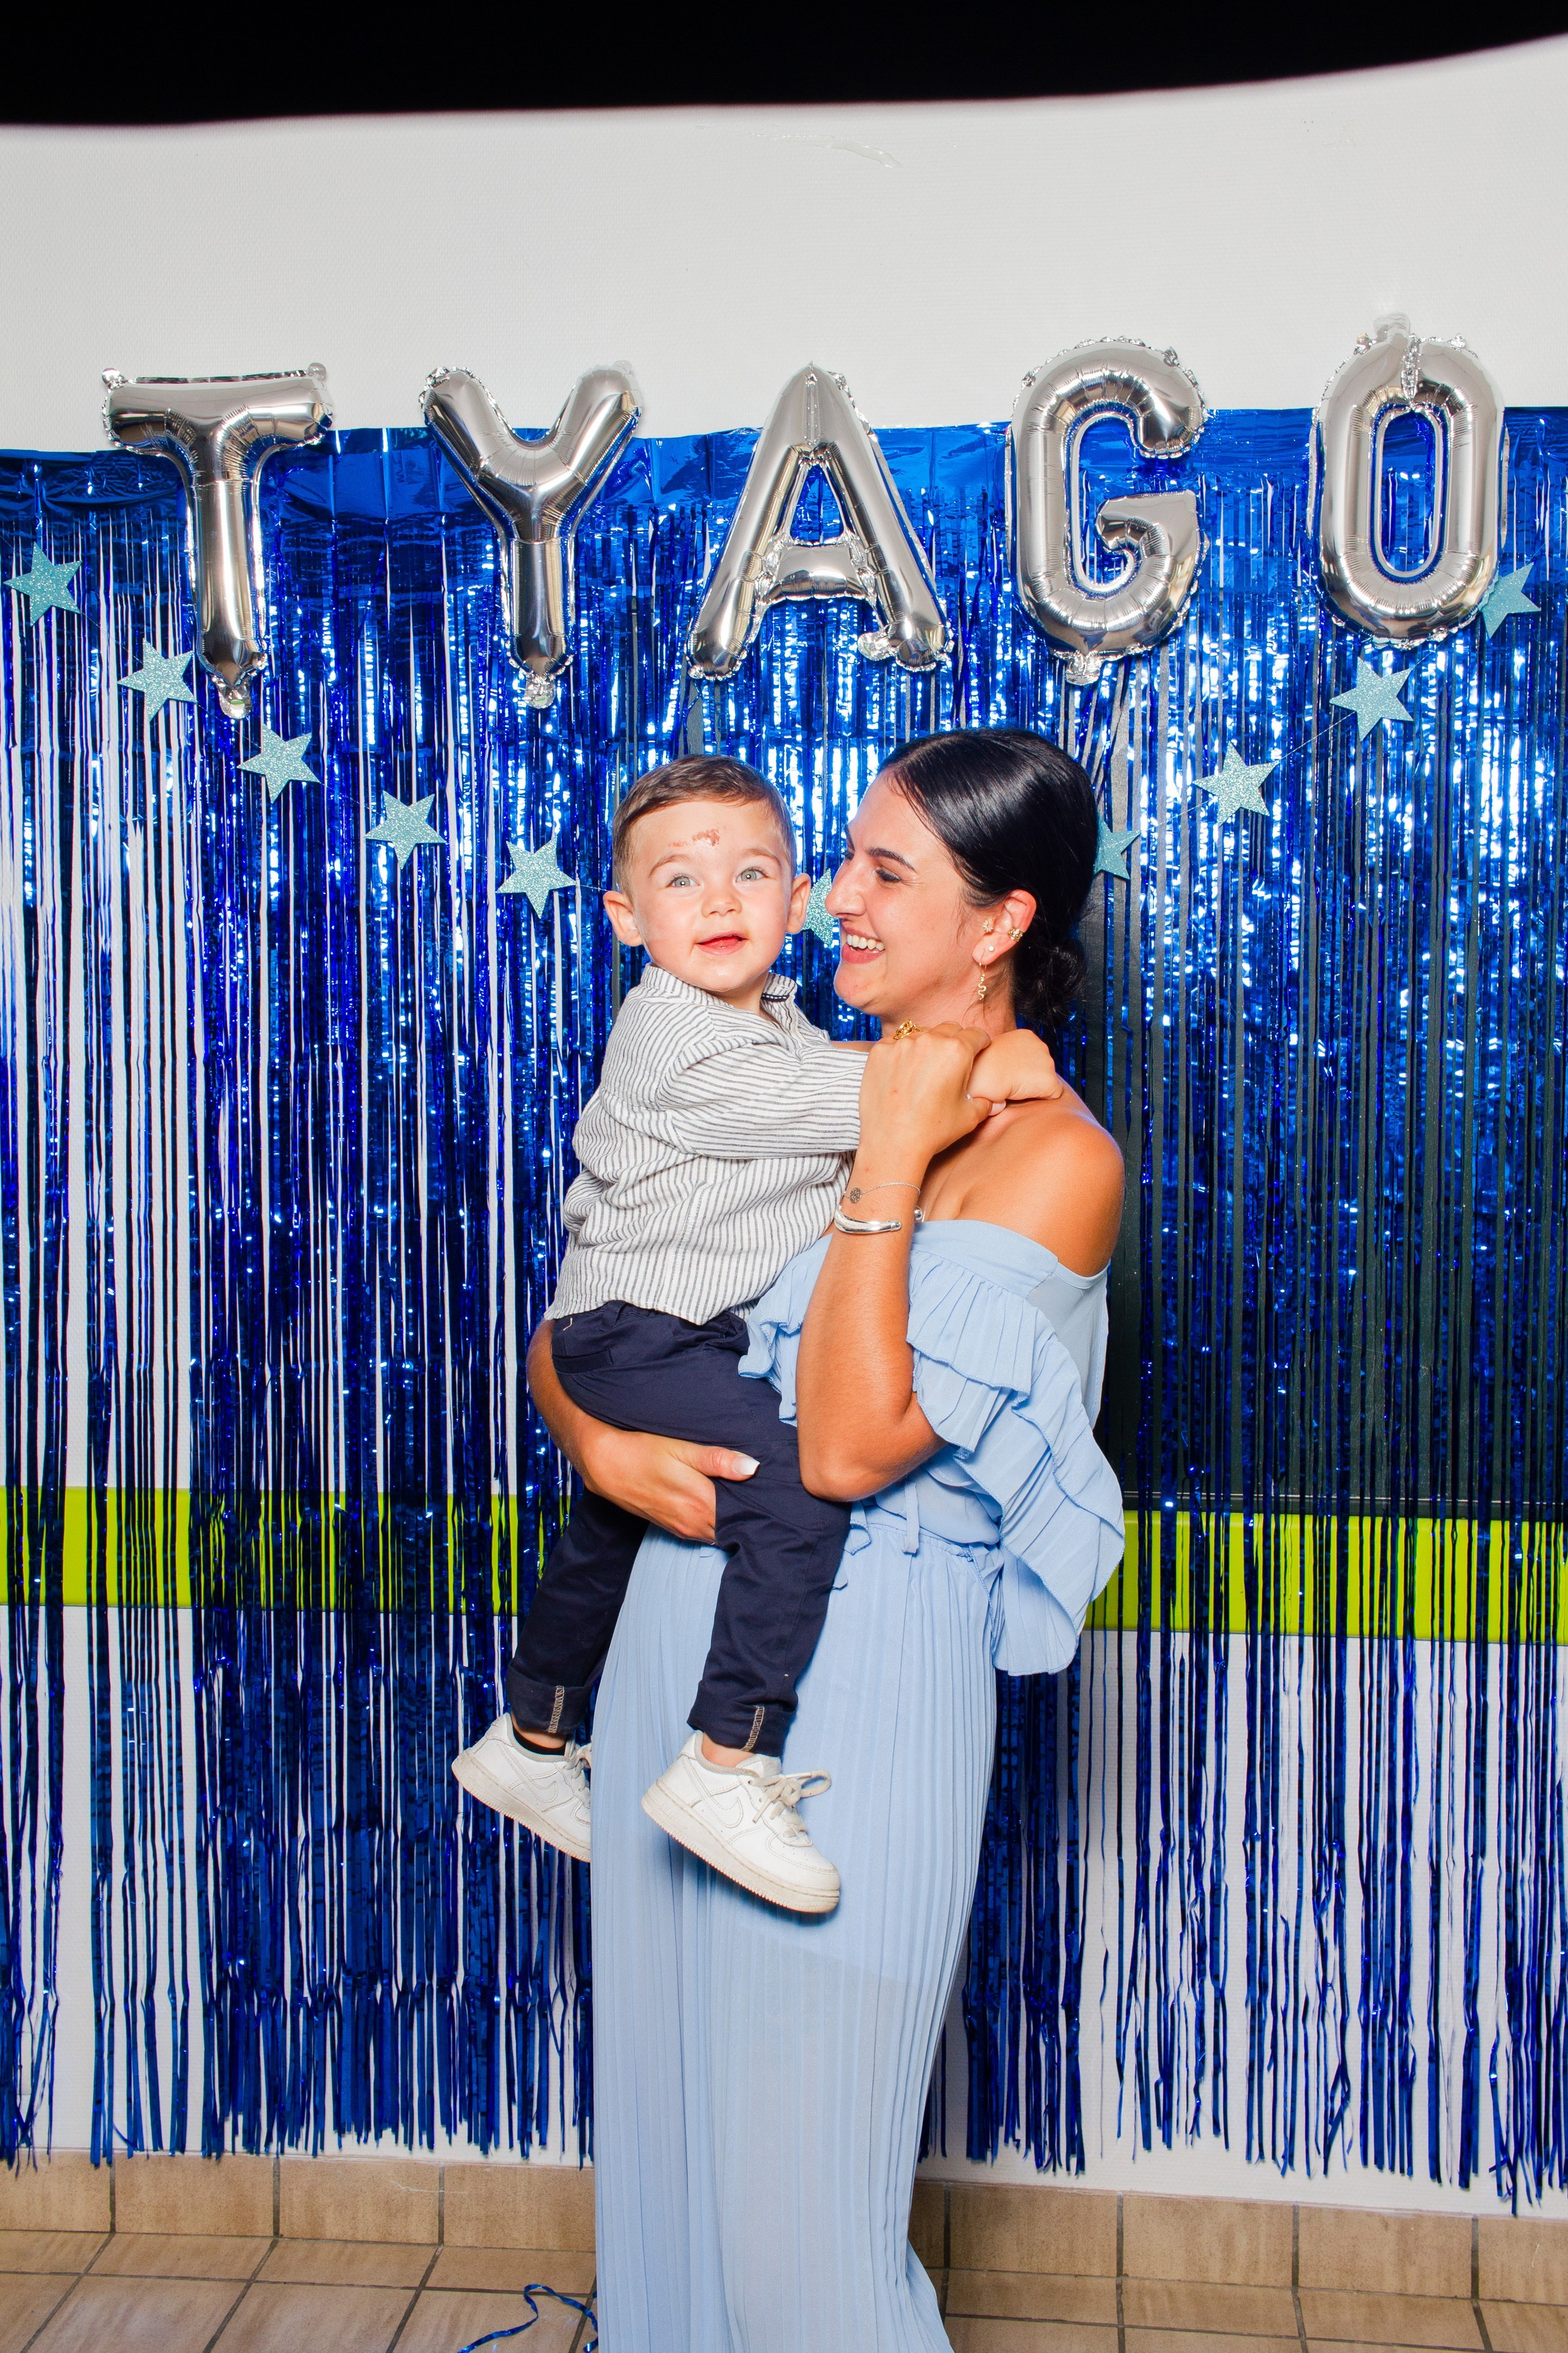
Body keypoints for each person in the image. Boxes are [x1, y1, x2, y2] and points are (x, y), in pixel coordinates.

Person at [529, 728, 1129, 2353]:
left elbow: (856, 1443)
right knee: (671, 2173)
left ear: (997, 923)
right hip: (682, 1659)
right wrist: (589, 1433)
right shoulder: (784, 1076)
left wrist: (882, 1157)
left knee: (803, 2226)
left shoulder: (1053, 1158)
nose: (832, 903)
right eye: (844, 862)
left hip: (855, 1692)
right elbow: (602, 1288)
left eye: (882, 872)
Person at [452, 754, 1059, 1913]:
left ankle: (529, 1733)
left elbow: (829, 1089)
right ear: (626, 920)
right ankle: (727, 1757)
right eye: (681, 882)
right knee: (790, 1489)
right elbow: (864, 1110)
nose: (723, 901)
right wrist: (988, 1063)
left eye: (755, 872)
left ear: (792, 896)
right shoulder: (675, 1038)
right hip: (645, 1335)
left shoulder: (778, 1019)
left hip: (650, 1335)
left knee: (608, 1524)